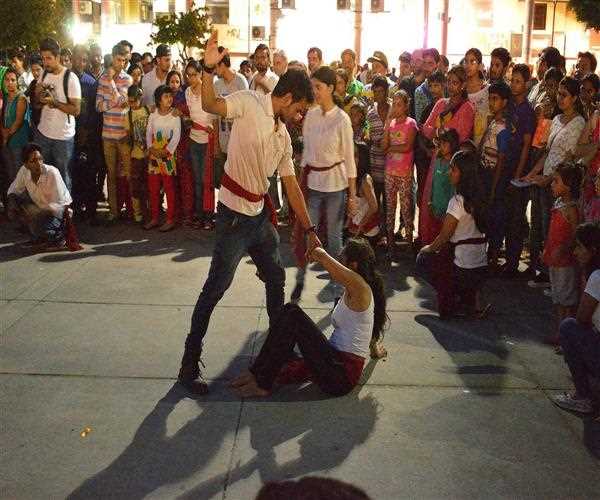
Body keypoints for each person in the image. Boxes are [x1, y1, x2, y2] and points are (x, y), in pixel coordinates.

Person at [177, 32, 320, 395]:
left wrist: (309, 230)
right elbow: (210, 103)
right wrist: (208, 68)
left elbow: (291, 186)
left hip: (259, 217)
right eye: (299, 109)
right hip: (233, 217)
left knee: (276, 278)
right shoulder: (248, 102)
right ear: (287, 97)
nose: (300, 116)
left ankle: (276, 352)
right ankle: (188, 364)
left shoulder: (284, 136)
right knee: (215, 288)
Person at [231, 238, 387, 398]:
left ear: (353, 265)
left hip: (341, 377)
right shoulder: (357, 289)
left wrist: (314, 245)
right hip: (333, 362)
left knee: (293, 316)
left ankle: (263, 383)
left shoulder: (361, 288)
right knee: (290, 311)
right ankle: (256, 373)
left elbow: (325, 259)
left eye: (341, 259)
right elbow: (367, 327)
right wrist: (375, 349)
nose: (338, 262)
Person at [292, 66, 357, 301]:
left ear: (330, 88)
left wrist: (352, 196)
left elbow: (349, 159)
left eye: (318, 87)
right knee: (306, 233)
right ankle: (300, 277)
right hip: (312, 183)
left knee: (334, 237)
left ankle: (338, 283)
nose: (315, 92)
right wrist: (299, 183)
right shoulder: (310, 116)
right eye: (313, 87)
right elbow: (306, 154)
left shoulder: (342, 119)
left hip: (335, 185)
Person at [523, 77, 586, 288]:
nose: (559, 98)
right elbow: (548, 152)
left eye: (564, 95)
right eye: (558, 93)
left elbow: (569, 158)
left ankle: (555, 276)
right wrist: (532, 173)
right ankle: (541, 268)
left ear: (574, 98)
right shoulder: (556, 118)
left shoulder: (579, 123)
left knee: (554, 229)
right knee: (540, 226)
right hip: (546, 178)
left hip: (561, 183)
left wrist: (549, 178)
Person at [417, 151, 489, 319]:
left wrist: (426, 249)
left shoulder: (457, 202)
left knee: (422, 259)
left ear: (464, 174)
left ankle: (452, 295)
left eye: (453, 169)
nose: (449, 173)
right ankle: (469, 297)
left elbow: (443, 237)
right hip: (480, 265)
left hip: (462, 267)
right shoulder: (481, 199)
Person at [419, 65, 475, 246]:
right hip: (437, 159)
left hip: (454, 164)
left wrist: (440, 133)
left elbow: (462, 137)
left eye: (455, 83)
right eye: (449, 82)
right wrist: (440, 132)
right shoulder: (441, 104)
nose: (451, 86)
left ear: (463, 85)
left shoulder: (467, 108)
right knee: (433, 198)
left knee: (450, 200)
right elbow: (426, 128)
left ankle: (447, 244)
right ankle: (430, 243)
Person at [550, 221, 600, 414]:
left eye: (579, 247)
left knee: (568, 327)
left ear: (593, 250)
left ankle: (583, 396)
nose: (575, 252)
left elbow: (581, 318)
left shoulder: (597, 277)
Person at [502, 64, 537, 277]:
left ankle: (513, 263)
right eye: (512, 80)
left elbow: (526, 144)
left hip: (518, 169)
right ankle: (507, 259)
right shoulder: (509, 107)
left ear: (526, 84)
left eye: (517, 81)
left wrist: (518, 174)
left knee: (516, 217)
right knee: (506, 215)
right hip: (505, 165)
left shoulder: (527, 112)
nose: (513, 85)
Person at [34, 37, 82, 193]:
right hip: (43, 133)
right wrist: (39, 96)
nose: (45, 62)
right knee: (42, 175)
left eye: (48, 58)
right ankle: (46, 206)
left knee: (63, 178)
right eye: (43, 58)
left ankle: (64, 207)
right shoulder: (43, 74)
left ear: (58, 57)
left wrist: (55, 103)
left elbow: (76, 110)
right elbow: (36, 100)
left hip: (63, 138)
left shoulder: (71, 78)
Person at [542, 163, 582, 345]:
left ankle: (567, 337)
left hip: (565, 262)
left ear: (569, 185)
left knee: (567, 300)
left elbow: (575, 234)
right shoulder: (558, 204)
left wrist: (564, 248)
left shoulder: (572, 209)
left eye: (556, 181)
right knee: (558, 298)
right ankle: (560, 333)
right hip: (555, 259)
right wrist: (547, 249)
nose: (552, 184)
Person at [6, 143, 71, 251]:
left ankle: (58, 238)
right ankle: (38, 237)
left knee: (43, 228)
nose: (39, 163)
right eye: (34, 161)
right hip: (40, 212)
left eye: (40, 159)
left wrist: (38, 211)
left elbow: (61, 206)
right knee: (15, 201)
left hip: (57, 214)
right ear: (26, 165)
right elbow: (13, 190)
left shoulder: (52, 172)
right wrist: (11, 205)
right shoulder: (24, 170)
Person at [95, 43, 133, 222]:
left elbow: (125, 102)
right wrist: (115, 101)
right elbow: (98, 106)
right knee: (111, 175)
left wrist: (111, 86)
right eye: (119, 60)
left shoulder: (128, 79)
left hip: (123, 134)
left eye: (124, 61)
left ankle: (132, 210)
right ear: (113, 57)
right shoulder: (102, 78)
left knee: (128, 173)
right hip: (107, 135)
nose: (122, 64)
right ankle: (113, 211)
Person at [478, 81, 512, 269]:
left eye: (495, 99)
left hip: (495, 178)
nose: (491, 102)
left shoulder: (504, 128)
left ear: (504, 102)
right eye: (490, 98)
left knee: (496, 217)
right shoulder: (492, 122)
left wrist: (494, 186)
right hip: (485, 174)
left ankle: (493, 256)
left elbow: (501, 159)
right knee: (486, 216)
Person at [382, 90, 417, 256]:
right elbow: (383, 146)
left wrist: (391, 148)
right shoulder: (391, 123)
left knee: (406, 208)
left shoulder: (411, 123)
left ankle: (409, 244)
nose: (396, 108)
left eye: (399, 105)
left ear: (406, 106)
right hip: (390, 172)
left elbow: (407, 147)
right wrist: (387, 124)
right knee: (390, 208)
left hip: (404, 173)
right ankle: (391, 245)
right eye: (394, 104)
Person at [185, 60, 218, 229]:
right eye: (188, 75)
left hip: (208, 141)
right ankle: (199, 215)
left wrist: (213, 132)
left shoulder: (208, 89)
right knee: (197, 180)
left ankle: (209, 215)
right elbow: (190, 115)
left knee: (207, 181)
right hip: (194, 139)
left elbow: (215, 115)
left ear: (200, 74)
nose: (191, 78)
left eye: (194, 75)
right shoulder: (187, 92)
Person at [144, 85, 181, 232]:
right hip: (154, 155)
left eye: (170, 96)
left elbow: (176, 136)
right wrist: (151, 148)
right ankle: (154, 218)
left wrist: (166, 151)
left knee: (169, 188)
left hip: (168, 157)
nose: (169, 99)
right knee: (153, 188)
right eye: (166, 96)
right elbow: (148, 132)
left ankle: (170, 219)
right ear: (159, 100)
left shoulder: (175, 115)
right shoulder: (153, 114)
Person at [71, 44, 100, 223]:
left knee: (89, 173)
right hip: (69, 133)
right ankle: (75, 208)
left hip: (88, 134)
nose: (80, 63)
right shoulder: (66, 78)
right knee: (73, 173)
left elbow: (94, 111)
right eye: (78, 59)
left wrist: (87, 131)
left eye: (84, 60)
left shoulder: (91, 82)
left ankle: (91, 210)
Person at [168, 69, 195, 226]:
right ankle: (175, 212)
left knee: (186, 179)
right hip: (168, 145)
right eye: (171, 81)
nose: (174, 84)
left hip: (184, 143)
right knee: (172, 180)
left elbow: (189, 119)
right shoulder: (165, 99)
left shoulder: (185, 98)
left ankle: (188, 213)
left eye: (177, 81)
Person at [366, 76, 391, 238]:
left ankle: (388, 234)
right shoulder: (370, 113)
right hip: (375, 163)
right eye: (375, 92)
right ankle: (376, 234)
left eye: (380, 91)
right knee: (376, 200)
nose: (377, 95)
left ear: (386, 91)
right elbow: (368, 138)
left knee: (389, 203)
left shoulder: (394, 109)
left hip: (392, 165)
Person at [214, 46, 248, 160]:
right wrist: (216, 145)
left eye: (215, 66)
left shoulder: (241, 81)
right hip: (223, 144)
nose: (214, 70)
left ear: (222, 64)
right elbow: (215, 117)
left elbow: (246, 113)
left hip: (239, 145)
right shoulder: (217, 85)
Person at [1, 68, 30, 183]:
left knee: (18, 171)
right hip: (5, 139)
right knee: (9, 170)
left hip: (17, 140)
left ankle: (20, 193)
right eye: (7, 80)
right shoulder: (5, 97)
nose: (10, 83)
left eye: (13, 80)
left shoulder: (21, 98)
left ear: (17, 81)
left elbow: (18, 122)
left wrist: (5, 137)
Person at [126, 85, 150, 224]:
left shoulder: (147, 110)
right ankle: (137, 212)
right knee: (135, 185)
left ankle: (149, 210)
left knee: (148, 184)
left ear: (140, 98)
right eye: (129, 101)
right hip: (136, 155)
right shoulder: (128, 115)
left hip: (149, 155)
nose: (132, 104)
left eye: (134, 101)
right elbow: (128, 135)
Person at [429, 129, 459, 223]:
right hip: (435, 207)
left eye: (444, 144)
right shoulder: (437, 162)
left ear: (453, 145)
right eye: (441, 144)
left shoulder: (455, 167)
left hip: (448, 211)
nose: (441, 147)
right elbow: (433, 183)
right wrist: (430, 202)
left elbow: (453, 190)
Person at [463, 48, 488, 146]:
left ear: (480, 65)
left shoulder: (486, 89)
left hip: (481, 139)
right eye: (466, 61)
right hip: (463, 139)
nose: (468, 65)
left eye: (472, 62)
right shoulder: (460, 88)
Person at [413, 48, 441, 124]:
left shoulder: (447, 86)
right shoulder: (420, 91)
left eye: (430, 63)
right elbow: (420, 121)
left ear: (437, 64)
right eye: (425, 63)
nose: (426, 67)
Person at [141, 44, 171, 108]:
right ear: (158, 60)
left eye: (170, 60)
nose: (169, 63)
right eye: (166, 60)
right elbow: (143, 103)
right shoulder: (146, 79)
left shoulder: (174, 77)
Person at [24, 54, 44, 131]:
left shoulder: (48, 84)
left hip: (47, 125)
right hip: (35, 123)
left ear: (43, 68)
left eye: (38, 70)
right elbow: (24, 95)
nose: (35, 73)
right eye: (33, 70)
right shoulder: (33, 83)